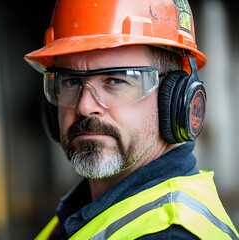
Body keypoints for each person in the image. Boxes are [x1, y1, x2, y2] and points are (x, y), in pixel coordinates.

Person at [25, 0, 239, 239]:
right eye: (70, 81)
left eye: (116, 80)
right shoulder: (80, 213)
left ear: (175, 100)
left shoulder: (169, 234)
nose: (84, 106)